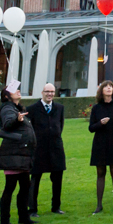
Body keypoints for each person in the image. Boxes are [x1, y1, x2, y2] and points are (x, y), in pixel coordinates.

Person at [0, 80, 36, 224]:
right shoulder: (8, 109)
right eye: (15, 90)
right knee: (10, 187)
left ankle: (23, 216)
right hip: (13, 155)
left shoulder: (15, 108)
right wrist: (16, 119)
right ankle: (4, 223)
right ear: (7, 96)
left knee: (25, 186)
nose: (18, 92)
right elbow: (7, 124)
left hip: (21, 154)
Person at [88, 80, 113, 214]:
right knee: (100, 173)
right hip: (100, 143)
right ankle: (99, 205)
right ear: (101, 91)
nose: (109, 88)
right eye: (106, 87)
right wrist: (100, 123)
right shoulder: (96, 108)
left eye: (111, 87)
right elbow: (91, 128)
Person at [28, 83, 66, 216]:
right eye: (47, 91)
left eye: (52, 92)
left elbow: (60, 126)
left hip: (56, 148)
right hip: (39, 149)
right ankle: (32, 209)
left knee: (57, 178)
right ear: (42, 92)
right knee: (35, 178)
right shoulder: (32, 109)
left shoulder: (59, 108)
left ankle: (56, 206)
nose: (50, 94)